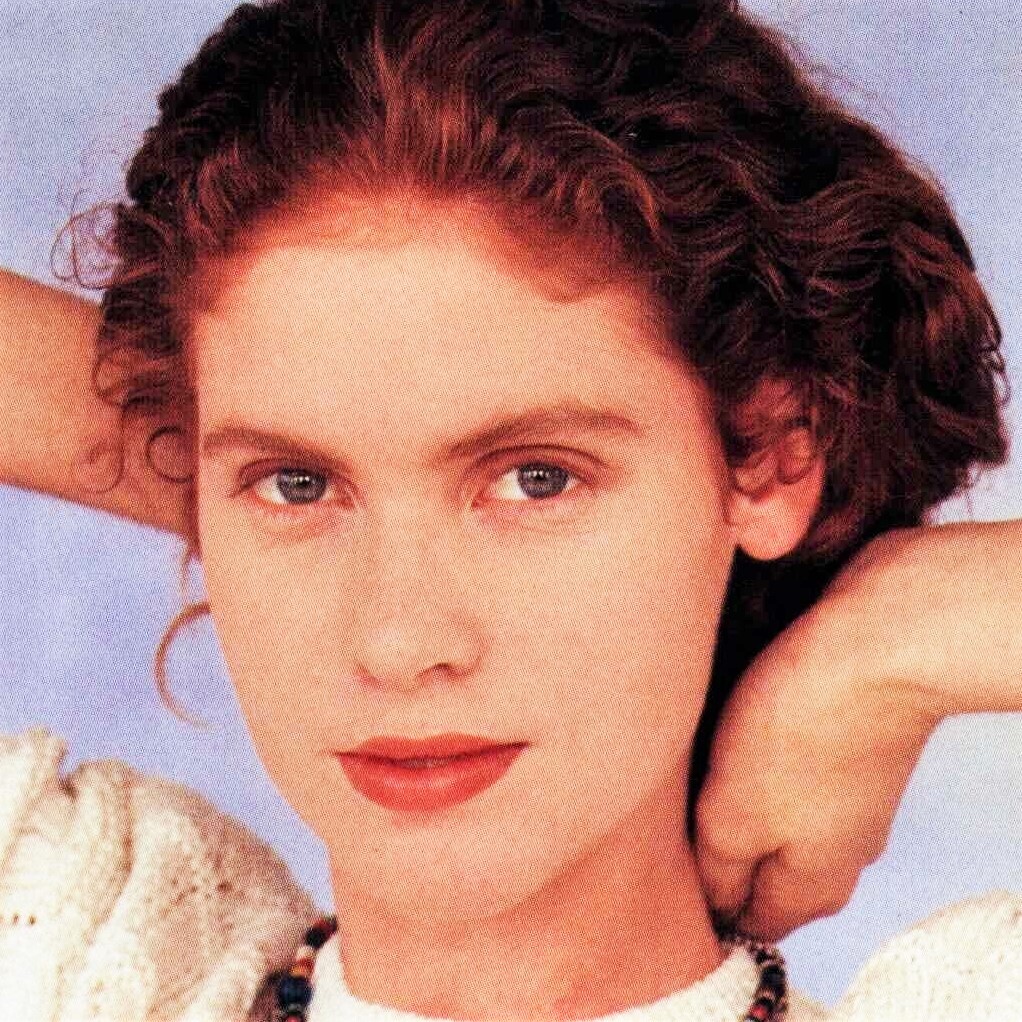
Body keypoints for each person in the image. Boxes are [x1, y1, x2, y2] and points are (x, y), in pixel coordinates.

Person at [0, 0, 1020, 1018]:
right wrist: (197, 414)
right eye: (296, 482)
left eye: (536, 477)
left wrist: (890, 638)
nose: (400, 643)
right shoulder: (76, 944)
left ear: (767, 459)